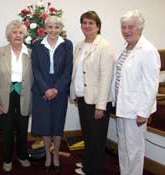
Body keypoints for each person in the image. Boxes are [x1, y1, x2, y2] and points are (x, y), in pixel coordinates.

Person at [115, 10, 160, 175]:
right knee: (124, 146)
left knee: (134, 150)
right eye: (123, 27)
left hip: (136, 111)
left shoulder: (147, 50)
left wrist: (144, 112)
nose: (126, 30)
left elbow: (151, 85)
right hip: (122, 107)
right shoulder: (127, 47)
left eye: (130, 27)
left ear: (139, 28)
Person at [70, 11, 115, 175]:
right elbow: (77, 72)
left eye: (91, 23)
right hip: (83, 98)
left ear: (98, 26)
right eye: (84, 23)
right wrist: (75, 94)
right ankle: (89, 164)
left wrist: (100, 106)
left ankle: (94, 170)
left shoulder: (105, 46)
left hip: (98, 101)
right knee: (88, 135)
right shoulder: (80, 45)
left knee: (97, 138)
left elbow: (106, 78)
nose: (87, 26)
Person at [31, 16, 73, 174]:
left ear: (60, 28)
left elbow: (68, 70)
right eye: (50, 27)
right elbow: (35, 70)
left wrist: (56, 89)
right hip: (42, 90)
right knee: (45, 125)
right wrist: (45, 89)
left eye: (56, 27)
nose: (53, 30)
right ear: (45, 28)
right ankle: (48, 155)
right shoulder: (37, 46)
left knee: (57, 124)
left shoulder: (67, 45)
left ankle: (56, 155)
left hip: (59, 90)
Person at [0, 20, 32, 172]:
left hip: (24, 96)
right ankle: (7, 159)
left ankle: (22, 156)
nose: (18, 35)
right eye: (14, 32)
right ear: (8, 35)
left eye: (20, 33)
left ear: (25, 35)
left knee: (22, 128)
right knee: (6, 130)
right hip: (4, 96)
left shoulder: (30, 53)